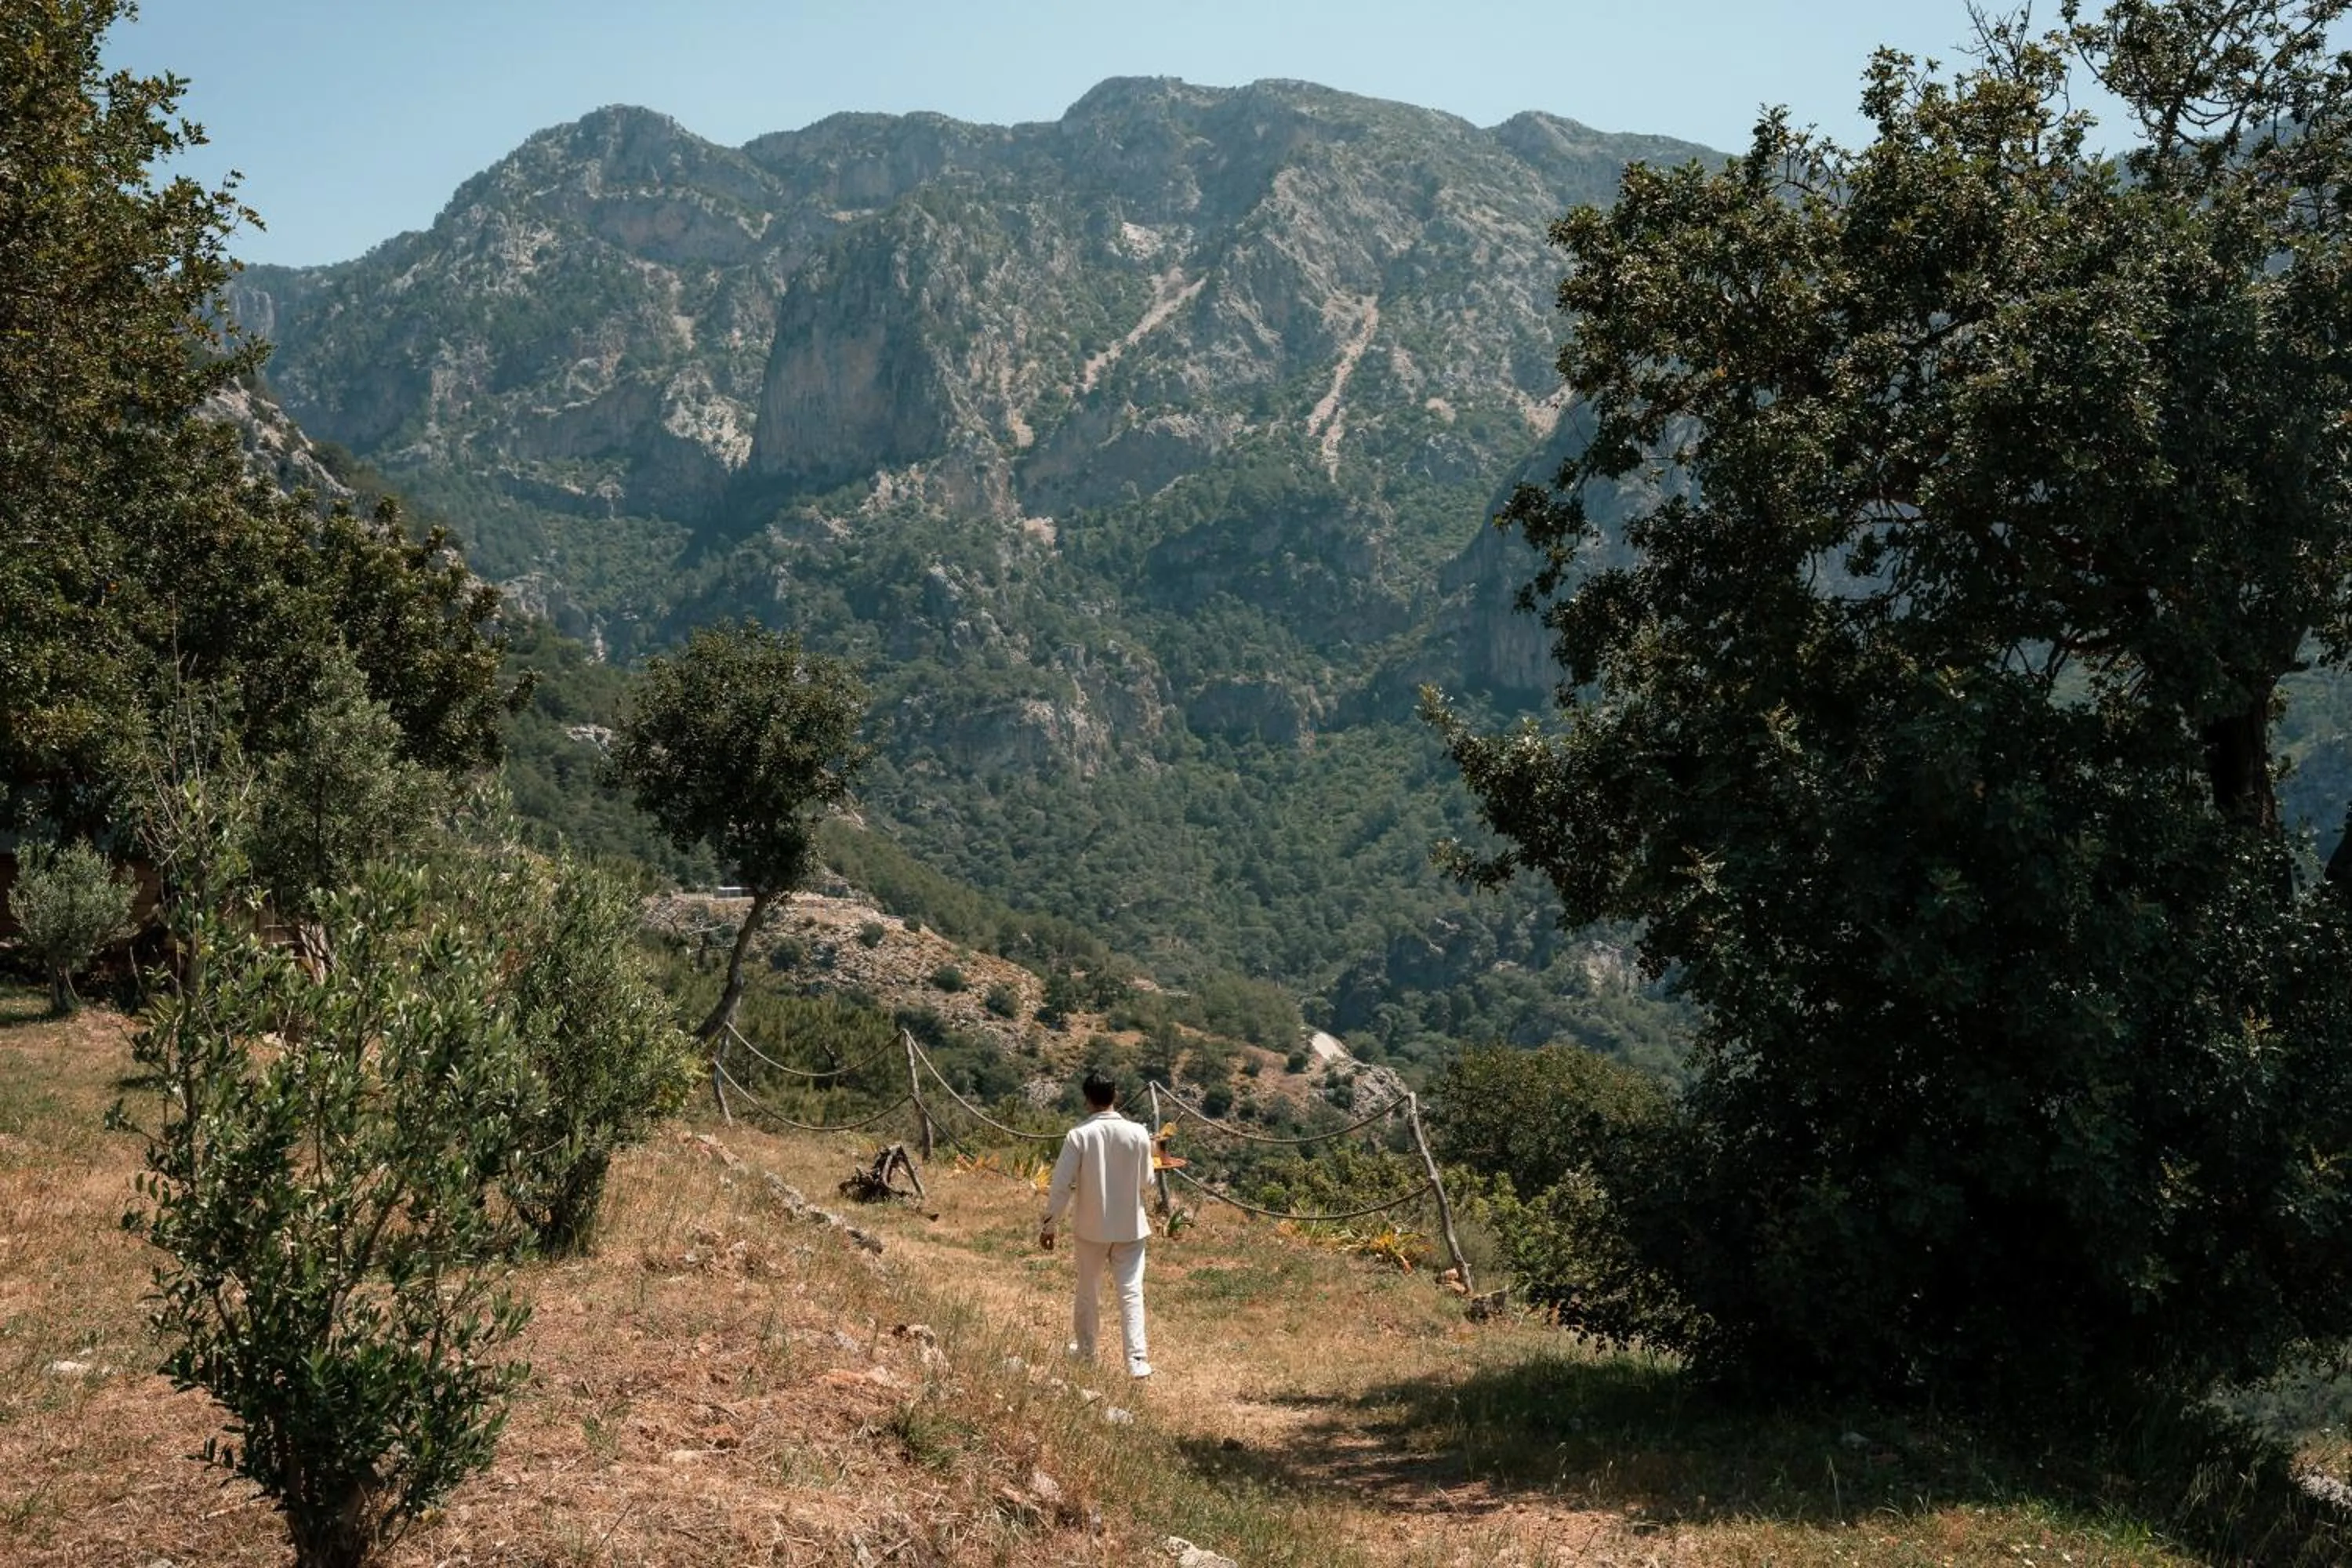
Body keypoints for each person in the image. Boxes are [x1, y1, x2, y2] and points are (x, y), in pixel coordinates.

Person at [1040, 1069, 1155, 1378]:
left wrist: (1050, 1225)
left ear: (1087, 1099)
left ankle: (1087, 1352)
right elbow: (1147, 1181)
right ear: (1115, 1095)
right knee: (1131, 1291)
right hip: (1131, 1226)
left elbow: (1061, 1185)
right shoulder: (1139, 1133)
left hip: (1091, 1227)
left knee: (1088, 1290)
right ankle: (1137, 1360)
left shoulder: (1078, 1135)